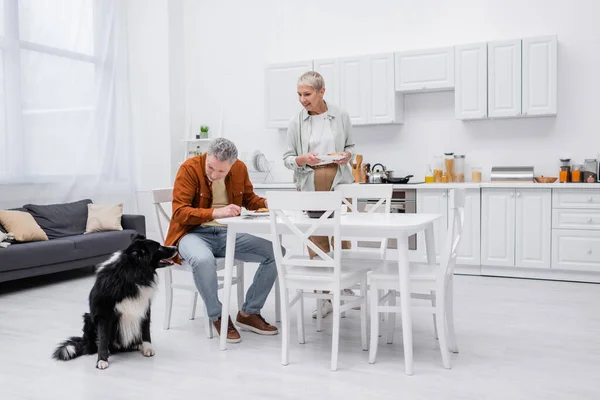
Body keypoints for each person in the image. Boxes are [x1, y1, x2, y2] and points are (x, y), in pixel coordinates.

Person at [165, 138, 280, 343]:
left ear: (232, 165)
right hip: (192, 233)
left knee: (275, 253)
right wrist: (216, 212)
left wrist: (269, 203)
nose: (214, 174)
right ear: (207, 156)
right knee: (202, 260)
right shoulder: (189, 169)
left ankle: (249, 313)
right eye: (211, 167)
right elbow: (179, 212)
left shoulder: (240, 169)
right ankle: (217, 315)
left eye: (221, 172)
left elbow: (249, 199)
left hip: (228, 234)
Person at [282, 71, 357, 319]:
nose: (302, 100)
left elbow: (351, 147)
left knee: (342, 237)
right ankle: (324, 297)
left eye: (307, 94)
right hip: (311, 180)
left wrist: (347, 156)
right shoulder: (296, 122)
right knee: (316, 240)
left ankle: (344, 289)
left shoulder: (340, 116)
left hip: (340, 180)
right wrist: (302, 159)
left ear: (321, 91)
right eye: (299, 95)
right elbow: (288, 159)